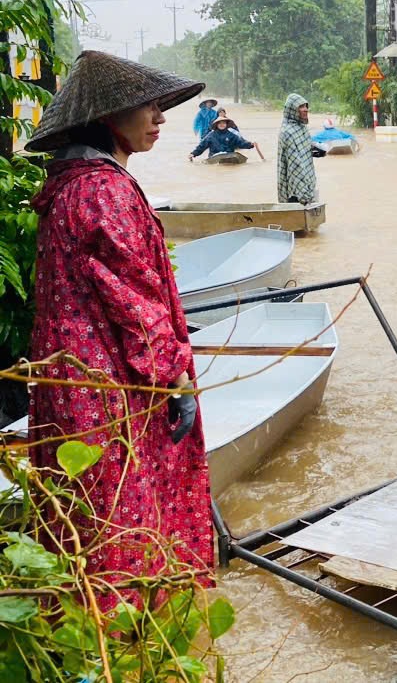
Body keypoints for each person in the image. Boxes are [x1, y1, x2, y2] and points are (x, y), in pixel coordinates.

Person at [23, 51, 214, 605]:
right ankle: (126, 638)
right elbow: (133, 301)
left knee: (83, 518)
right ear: (109, 117)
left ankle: (86, 633)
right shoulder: (105, 191)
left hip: (73, 382)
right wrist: (176, 375)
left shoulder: (72, 185)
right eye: (148, 108)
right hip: (108, 387)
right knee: (122, 517)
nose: (160, 119)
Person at [278, 93, 319, 204]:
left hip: (308, 184)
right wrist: (304, 196)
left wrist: (315, 151)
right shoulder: (288, 133)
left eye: (306, 106)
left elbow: (304, 149)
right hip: (296, 191)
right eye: (301, 107)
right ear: (292, 110)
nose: (305, 109)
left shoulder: (301, 128)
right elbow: (295, 167)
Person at [189, 110, 258, 161]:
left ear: (226, 125)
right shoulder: (211, 136)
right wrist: (193, 154)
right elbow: (202, 146)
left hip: (229, 155)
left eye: (224, 123)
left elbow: (241, 143)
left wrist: (250, 144)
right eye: (220, 123)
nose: (222, 124)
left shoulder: (231, 135)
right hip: (215, 156)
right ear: (216, 125)